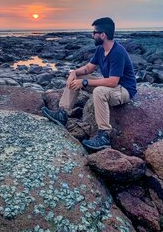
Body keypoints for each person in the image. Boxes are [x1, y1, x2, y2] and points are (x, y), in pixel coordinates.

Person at [42, 17, 137, 151]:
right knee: (77, 78)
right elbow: (88, 68)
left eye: (94, 33)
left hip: (124, 90)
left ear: (103, 35)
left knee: (98, 91)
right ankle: (62, 113)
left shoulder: (118, 52)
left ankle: (104, 136)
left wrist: (85, 82)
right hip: (112, 87)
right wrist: (74, 72)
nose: (92, 35)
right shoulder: (101, 50)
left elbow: (113, 81)